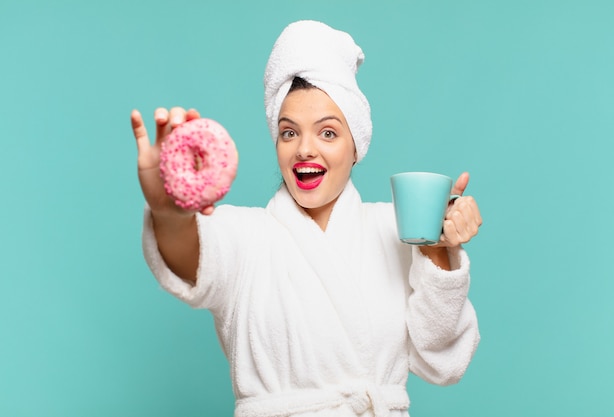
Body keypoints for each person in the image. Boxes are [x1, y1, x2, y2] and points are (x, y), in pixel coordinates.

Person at [130, 20, 482, 417]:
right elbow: (190, 251)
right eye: (288, 133)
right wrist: (168, 211)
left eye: (328, 133)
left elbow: (442, 362)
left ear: (356, 147)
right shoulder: (247, 237)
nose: (304, 149)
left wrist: (439, 249)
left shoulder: (396, 230)